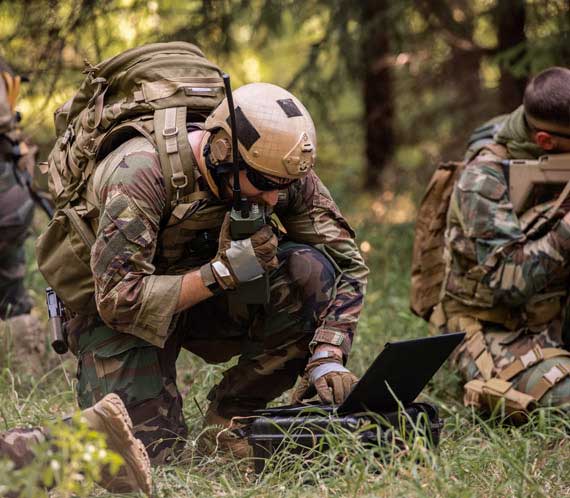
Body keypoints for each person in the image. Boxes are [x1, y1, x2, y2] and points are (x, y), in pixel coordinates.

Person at [0, 81, 368, 491]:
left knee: (310, 271)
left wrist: (329, 353)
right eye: (263, 184)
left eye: (280, 188)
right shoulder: (140, 171)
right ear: (224, 151)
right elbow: (118, 300)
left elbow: (348, 263)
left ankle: (231, 419)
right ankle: (17, 458)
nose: (271, 199)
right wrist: (222, 273)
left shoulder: (276, 169)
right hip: (120, 315)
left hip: (202, 301)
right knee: (146, 454)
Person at [432, 66, 570, 417]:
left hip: (555, 314)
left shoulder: (546, 138)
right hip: (495, 326)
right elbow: (508, 282)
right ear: (545, 141)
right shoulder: (482, 179)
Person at [0, 56, 47, 376]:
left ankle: (21, 359)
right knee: (12, 284)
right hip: (11, 201)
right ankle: (24, 363)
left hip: (7, 199)